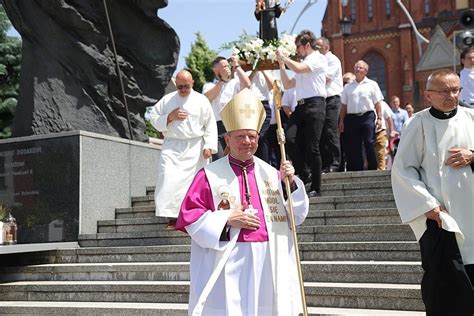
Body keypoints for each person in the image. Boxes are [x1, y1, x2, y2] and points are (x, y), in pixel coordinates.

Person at [175, 88, 309, 315]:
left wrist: (291, 183)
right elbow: (190, 217)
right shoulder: (209, 175)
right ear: (227, 139)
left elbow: (296, 217)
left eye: (252, 136)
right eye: (240, 136)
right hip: (229, 259)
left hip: (269, 259)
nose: (247, 141)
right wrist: (227, 218)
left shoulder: (272, 173)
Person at [391, 69, 474, 315]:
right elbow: (403, 169)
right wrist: (428, 205)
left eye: (455, 90)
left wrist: (472, 156)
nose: (451, 96)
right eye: (444, 91)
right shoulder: (418, 123)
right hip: (440, 219)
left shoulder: (472, 118)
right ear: (428, 95)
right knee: (444, 289)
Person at [149, 70, 218, 229]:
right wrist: (169, 117)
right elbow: (153, 117)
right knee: (168, 178)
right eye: (180, 87)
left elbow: (210, 124)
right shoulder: (168, 100)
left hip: (195, 147)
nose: (183, 90)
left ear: (192, 83)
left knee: (193, 183)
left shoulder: (201, 100)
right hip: (172, 147)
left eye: (186, 86)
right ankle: (172, 217)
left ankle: (193, 215)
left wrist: (208, 145)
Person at [276, 29, 328, 197]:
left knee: (312, 146)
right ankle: (304, 172)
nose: (296, 50)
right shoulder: (303, 63)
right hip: (301, 106)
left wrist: (285, 57)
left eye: (298, 46)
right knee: (289, 138)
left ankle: (316, 187)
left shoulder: (318, 58)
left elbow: (299, 69)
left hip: (315, 104)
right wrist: (281, 65)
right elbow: (288, 83)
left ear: (307, 45)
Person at [203, 56, 251, 159]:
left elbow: (247, 85)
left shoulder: (234, 83)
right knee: (219, 159)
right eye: (224, 67)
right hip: (217, 128)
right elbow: (207, 98)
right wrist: (222, 81)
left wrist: (237, 66)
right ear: (216, 70)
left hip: (233, 126)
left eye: (228, 66)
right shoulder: (209, 85)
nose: (227, 68)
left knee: (235, 159)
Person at [339, 60, 383, 171]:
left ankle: (372, 167)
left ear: (366, 71)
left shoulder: (372, 85)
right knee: (355, 144)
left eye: (360, 67)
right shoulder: (348, 87)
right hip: (352, 118)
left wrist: (380, 118)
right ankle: (359, 168)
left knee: (369, 141)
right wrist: (341, 121)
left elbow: (378, 103)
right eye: (356, 67)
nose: (358, 69)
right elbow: (343, 106)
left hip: (367, 116)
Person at [315, 37, 343, 173]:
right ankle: (326, 163)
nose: (316, 49)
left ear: (326, 47)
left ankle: (336, 163)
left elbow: (325, 78)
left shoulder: (332, 60)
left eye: (318, 46)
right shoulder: (317, 61)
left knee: (331, 131)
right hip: (321, 100)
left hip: (332, 99)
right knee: (322, 132)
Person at [374, 101, 395, 170]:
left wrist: (392, 131)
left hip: (380, 131)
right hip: (367, 132)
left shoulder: (382, 104)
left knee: (381, 153)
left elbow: (389, 118)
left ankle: (381, 171)